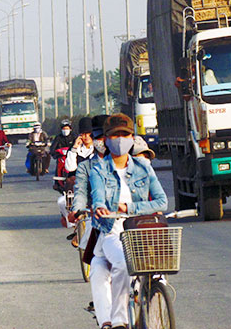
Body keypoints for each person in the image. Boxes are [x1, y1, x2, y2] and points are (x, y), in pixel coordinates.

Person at [90, 113, 168, 329]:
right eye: (115, 135)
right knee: (123, 264)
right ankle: (118, 321)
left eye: (125, 134)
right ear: (106, 139)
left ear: (133, 138)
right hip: (112, 232)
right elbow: (97, 197)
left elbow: (162, 202)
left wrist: (130, 208)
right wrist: (100, 207)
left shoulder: (144, 167)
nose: (120, 139)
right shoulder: (98, 170)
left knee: (159, 269)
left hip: (142, 231)